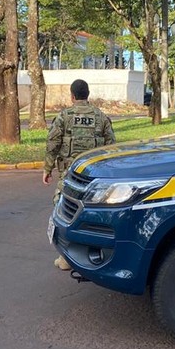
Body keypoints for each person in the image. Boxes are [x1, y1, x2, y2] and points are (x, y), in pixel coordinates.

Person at [43, 79, 115, 270]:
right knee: (92, 213)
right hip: (96, 176)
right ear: (88, 94)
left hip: (70, 176)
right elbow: (111, 146)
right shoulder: (101, 117)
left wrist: (47, 169)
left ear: (72, 96)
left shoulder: (64, 116)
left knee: (64, 211)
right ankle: (95, 254)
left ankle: (67, 258)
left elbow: (53, 144)